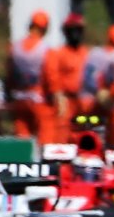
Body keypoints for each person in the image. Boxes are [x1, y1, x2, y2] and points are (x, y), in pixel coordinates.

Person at [42, 14, 91, 144]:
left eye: (78, 30)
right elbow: (52, 76)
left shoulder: (86, 53)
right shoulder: (57, 53)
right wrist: (58, 96)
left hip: (84, 101)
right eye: (71, 30)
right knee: (62, 135)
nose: (75, 34)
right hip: (65, 101)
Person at [6, 10, 52, 140]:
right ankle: (43, 158)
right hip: (38, 97)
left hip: (19, 96)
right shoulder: (45, 49)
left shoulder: (15, 47)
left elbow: (10, 73)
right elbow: (50, 75)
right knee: (45, 133)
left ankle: (23, 158)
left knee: (22, 134)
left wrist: (9, 93)